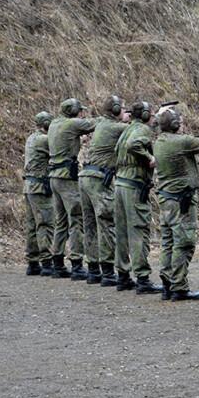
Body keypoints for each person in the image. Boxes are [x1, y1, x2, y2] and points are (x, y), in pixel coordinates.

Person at [152, 107, 199, 301]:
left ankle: (167, 283)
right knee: (184, 242)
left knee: (168, 242)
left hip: (167, 200)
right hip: (181, 201)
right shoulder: (180, 142)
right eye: (180, 123)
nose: (183, 126)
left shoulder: (160, 141)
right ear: (174, 125)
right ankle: (179, 286)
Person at [79, 96, 129, 286]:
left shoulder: (101, 123)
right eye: (123, 108)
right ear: (116, 110)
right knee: (106, 223)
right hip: (98, 180)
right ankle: (108, 272)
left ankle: (93, 270)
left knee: (90, 225)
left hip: (85, 177)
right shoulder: (116, 127)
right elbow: (141, 131)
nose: (125, 111)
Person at [113, 101, 163, 294]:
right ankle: (142, 278)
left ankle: (123, 276)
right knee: (139, 231)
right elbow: (134, 145)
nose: (153, 117)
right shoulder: (141, 130)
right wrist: (149, 158)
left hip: (121, 184)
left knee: (122, 232)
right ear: (143, 115)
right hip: (133, 186)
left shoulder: (128, 128)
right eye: (151, 114)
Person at [48, 98, 96, 280]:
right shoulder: (71, 124)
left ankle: (58, 262)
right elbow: (93, 124)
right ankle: (76, 263)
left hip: (54, 176)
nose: (82, 113)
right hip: (66, 177)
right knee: (76, 220)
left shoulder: (54, 123)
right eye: (80, 111)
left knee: (61, 222)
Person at [23, 111, 56, 277]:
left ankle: (33, 262)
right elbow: (59, 150)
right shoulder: (44, 140)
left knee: (31, 225)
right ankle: (47, 261)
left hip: (29, 186)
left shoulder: (31, 138)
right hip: (39, 186)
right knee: (46, 223)